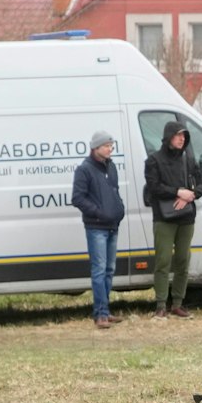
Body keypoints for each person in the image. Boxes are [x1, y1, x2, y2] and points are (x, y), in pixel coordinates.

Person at [142, 121, 202, 319]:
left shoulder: (188, 159)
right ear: (168, 137)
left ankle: (177, 303)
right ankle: (161, 304)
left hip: (186, 217)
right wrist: (177, 192)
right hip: (164, 217)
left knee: (183, 260)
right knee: (163, 260)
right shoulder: (153, 160)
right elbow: (153, 187)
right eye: (178, 135)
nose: (182, 138)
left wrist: (192, 195)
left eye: (184, 136)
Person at [69, 130, 125, 330]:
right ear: (96, 148)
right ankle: (100, 313)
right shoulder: (84, 170)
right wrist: (99, 212)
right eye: (107, 145)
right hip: (96, 227)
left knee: (109, 270)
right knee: (99, 270)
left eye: (111, 145)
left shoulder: (111, 167)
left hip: (112, 226)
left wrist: (118, 208)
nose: (110, 149)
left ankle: (105, 310)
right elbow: (77, 198)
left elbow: (114, 192)